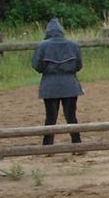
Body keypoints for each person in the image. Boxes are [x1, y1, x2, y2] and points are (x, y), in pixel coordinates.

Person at [31, 18, 84, 148]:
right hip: (70, 84)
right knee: (71, 116)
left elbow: (36, 65)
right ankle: (77, 144)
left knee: (50, 117)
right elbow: (79, 65)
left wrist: (48, 71)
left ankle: (47, 146)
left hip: (50, 85)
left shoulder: (42, 46)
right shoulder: (73, 45)